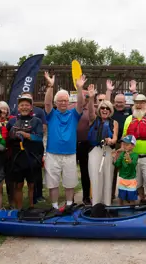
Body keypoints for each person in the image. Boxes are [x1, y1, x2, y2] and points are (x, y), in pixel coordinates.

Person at [43, 71, 84, 212]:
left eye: (65, 100)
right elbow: (47, 103)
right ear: (56, 102)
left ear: (69, 102)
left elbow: (81, 103)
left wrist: (79, 88)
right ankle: (54, 206)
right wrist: (50, 86)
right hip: (52, 154)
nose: (63, 102)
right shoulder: (51, 114)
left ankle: (68, 205)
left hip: (70, 153)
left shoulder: (74, 114)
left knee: (70, 182)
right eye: (60, 100)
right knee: (52, 182)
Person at [7, 95, 44, 210]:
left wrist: (26, 135)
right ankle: (19, 208)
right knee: (18, 184)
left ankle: (31, 206)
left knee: (31, 184)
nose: (24, 107)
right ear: (18, 107)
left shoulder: (36, 121)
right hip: (17, 157)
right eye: (22, 105)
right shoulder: (12, 121)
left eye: (27, 105)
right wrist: (14, 135)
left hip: (32, 156)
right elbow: (8, 137)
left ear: (31, 107)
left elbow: (39, 137)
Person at [87, 84, 118, 206]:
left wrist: (110, 141)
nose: (105, 110)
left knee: (108, 177)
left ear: (110, 111)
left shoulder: (114, 122)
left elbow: (115, 138)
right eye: (102, 108)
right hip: (95, 151)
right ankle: (96, 204)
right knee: (95, 177)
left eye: (107, 108)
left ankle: (107, 204)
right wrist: (91, 98)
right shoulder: (94, 119)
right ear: (99, 110)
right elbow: (90, 111)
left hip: (108, 151)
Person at [112, 135, 139, 205]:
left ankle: (133, 212)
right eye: (124, 144)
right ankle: (120, 210)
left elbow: (133, 165)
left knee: (132, 199)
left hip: (131, 180)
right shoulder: (122, 154)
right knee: (121, 198)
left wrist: (129, 159)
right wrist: (114, 158)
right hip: (122, 179)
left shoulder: (135, 155)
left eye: (127, 144)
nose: (124, 146)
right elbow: (117, 165)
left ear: (133, 146)